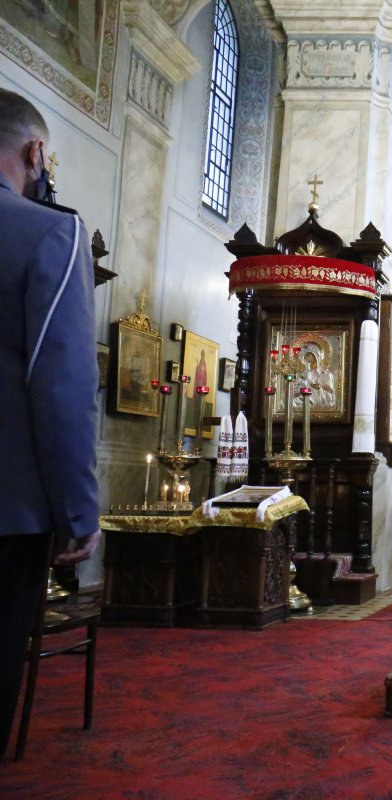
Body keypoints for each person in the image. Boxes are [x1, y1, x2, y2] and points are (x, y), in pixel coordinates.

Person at [0, 88, 101, 759]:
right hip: (9, 510)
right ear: (36, 153)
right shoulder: (48, 233)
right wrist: (77, 511)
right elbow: (60, 385)